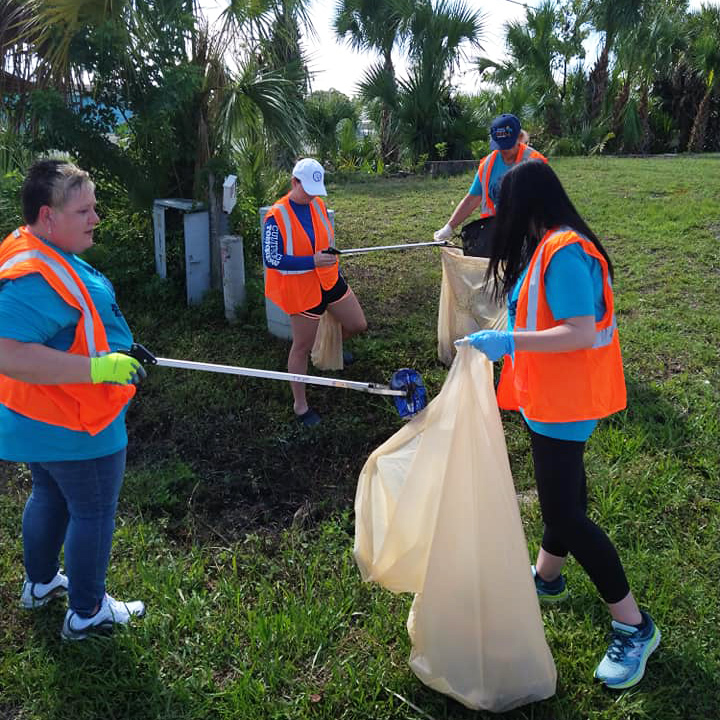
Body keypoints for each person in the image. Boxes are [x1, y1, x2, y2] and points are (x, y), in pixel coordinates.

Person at [457, 161, 660, 690]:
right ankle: (547, 578)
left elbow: (575, 331)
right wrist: (503, 334)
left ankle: (634, 626)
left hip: (565, 404)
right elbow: (539, 317)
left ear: (527, 205)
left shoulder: (565, 250)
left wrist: (509, 344)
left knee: (564, 515)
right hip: (549, 400)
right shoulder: (548, 244)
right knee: (564, 497)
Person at [0, 158, 146, 640]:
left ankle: (40, 584)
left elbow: (68, 324)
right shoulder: (34, 275)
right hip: (76, 422)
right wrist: (97, 369)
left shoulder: (43, 249)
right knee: (94, 510)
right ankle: (87, 613)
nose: (96, 219)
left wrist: (119, 347)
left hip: (41, 418)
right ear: (48, 216)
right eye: (84, 211)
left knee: (50, 496)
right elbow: (7, 351)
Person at [263, 158, 367, 427]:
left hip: (329, 279)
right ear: (293, 182)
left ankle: (328, 349)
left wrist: (327, 258)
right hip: (302, 290)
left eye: (315, 189)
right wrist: (311, 261)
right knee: (300, 348)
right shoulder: (277, 215)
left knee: (357, 324)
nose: (311, 195)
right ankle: (300, 405)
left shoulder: (318, 204)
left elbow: (324, 240)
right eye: (306, 188)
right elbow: (272, 259)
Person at [434, 114, 546, 241]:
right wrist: (448, 227)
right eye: (500, 145)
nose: (503, 150)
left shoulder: (535, 162)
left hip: (530, 233)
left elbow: (549, 204)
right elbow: (471, 199)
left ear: (519, 138)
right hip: (498, 232)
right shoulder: (488, 165)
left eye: (507, 145)